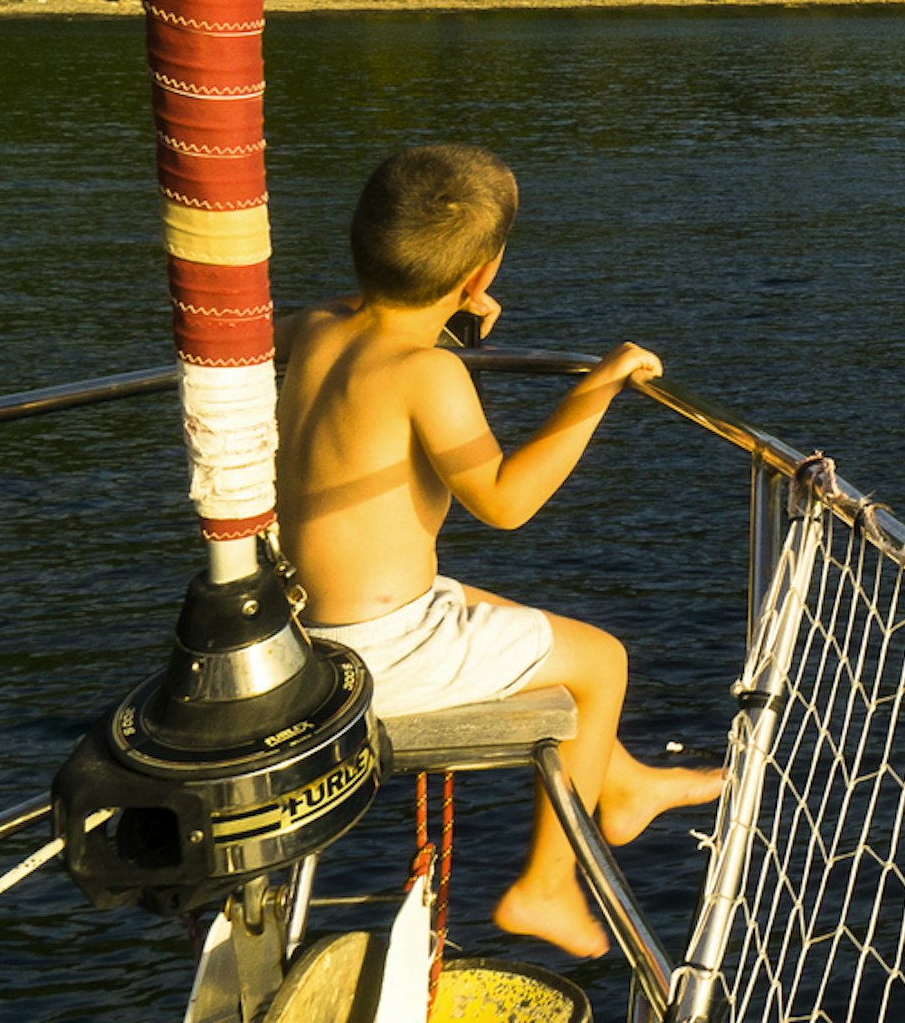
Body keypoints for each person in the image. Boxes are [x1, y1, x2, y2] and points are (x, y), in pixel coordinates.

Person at [275, 142, 723, 959]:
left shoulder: (311, 326)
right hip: (375, 655)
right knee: (604, 661)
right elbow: (506, 502)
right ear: (482, 273)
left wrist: (440, 304)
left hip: (302, 628)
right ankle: (543, 890)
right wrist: (596, 388)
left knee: (508, 612)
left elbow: (351, 325)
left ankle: (618, 783)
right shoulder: (427, 371)